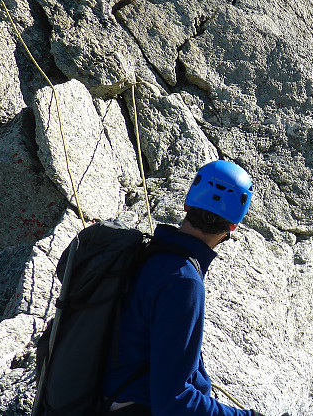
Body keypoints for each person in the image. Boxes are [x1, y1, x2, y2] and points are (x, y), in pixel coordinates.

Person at [101, 160, 278, 416]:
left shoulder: (150, 254)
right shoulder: (183, 282)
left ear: (187, 205)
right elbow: (174, 401)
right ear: (233, 226)